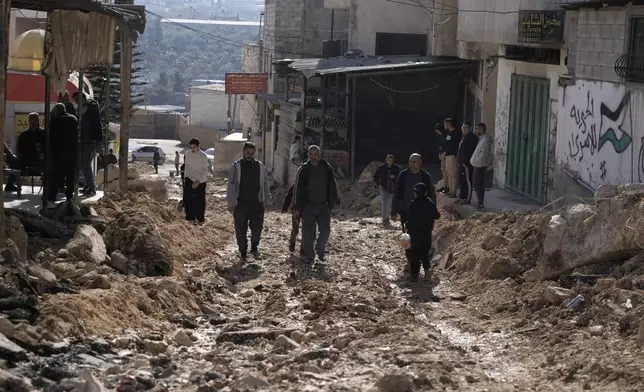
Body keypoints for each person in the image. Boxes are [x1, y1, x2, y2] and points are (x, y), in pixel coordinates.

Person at [293, 145, 340, 263]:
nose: (313, 157)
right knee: (307, 233)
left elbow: (333, 183)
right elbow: (297, 189)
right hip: (308, 205)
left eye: (316, 154)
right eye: (311, 154)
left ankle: (320, 249)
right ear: (308, 155)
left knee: (325, 231)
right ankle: (309, 255)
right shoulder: (303, 169)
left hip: (324, 205)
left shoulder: (326, 168)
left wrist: (335, 199)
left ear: (320, 155)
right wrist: (297, 207)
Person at [392, 153, 436, 272]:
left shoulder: (425, 176)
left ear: (420, 162)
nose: (412, 164)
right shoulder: (403, 175)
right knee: (407, 237)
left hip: (423, 214)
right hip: (407, 212)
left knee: (423, 239)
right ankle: (411, 260)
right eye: (410, 161)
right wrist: (393, 211)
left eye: (414, 161)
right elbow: (396, 193)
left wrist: (432, 211)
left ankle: (423, 262)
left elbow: (432, 194)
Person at [227, 142, 271, 259]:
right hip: (240, 204)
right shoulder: (236, 166)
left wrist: (267, 199)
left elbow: (265, 184)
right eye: (248, 152)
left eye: (252, 153)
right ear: (243, 152)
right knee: (240, 231)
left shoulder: (260, 167)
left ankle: (254, 247)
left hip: (257, 204)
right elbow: (231, 186)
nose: (250, 155)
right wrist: (231, 203)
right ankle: (243, 252)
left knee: (257, 229)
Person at [406, 183, 440, 282]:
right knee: (424, 253)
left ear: (416, 193)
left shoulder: (413, 204)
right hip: (426, 233)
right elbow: (437, 215)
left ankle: (414, 275)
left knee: (415, 254)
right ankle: (427, 271)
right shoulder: (430, 203)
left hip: (415, 234)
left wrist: (407, 226)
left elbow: (410, 219)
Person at [47, 103, 78, 208]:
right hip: (72, 151)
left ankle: (52, 195)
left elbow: (51, 137)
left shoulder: (55, 121)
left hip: (59, 152)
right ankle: (69, 195)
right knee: (70, 175)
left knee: (57, 175)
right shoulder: (73, 119)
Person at [282, 157, 309, 252]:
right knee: (297, 229)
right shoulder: (297, 184)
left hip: (304, 209)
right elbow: (289, 195)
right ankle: (293, 243)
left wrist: (285, 207)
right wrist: (285, 207)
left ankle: (299, 247)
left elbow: (288, 195)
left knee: (301, 229)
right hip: (297, 209)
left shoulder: (305, 184)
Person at [80, 100, 103, 196]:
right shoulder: (96, 118)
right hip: (91, 143)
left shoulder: (88, 116)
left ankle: (91, 187)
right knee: (86, 165)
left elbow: (85, 129)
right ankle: (88, 185)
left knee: (86, 165)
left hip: (88, 143)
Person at [183, 138, 209, 224]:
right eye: (191, 147)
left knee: (199, 201)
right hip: (189, 179)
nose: (192, 149)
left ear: (198, 146)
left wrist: (198, 181)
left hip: (200, 181)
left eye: (194, 147)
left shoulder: (203, 156)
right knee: (189, 199)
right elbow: (186, 166)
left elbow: (204, 170)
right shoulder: (187, 154)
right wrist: (185, 178)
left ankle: (200, 219)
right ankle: (190, 218)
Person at [470, 123, 493, 210]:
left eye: (477, 129)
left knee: (477, 184)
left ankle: (480, 204)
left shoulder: (486, 140)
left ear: (481, 129)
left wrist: (477, 162)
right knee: (478, 184)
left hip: (479, 165)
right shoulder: (482, 139)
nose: (476, 130)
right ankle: (480, 203)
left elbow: (484, 154)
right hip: (477, 164)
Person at [16, 112, 46, 178]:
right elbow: (19, 149)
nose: (37, 121)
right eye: (35, 120)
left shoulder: (44, 133)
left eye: (38, 120)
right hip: (27, 159)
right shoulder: (24, 135)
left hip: (40, 160)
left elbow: (47, 146)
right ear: (30, 121)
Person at [373, 154, 400, 226]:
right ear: (386, 160)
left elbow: (399, 178)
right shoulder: (381, 168)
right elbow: (375, 176)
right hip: (384, 187)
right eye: (388, 160)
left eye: (391, 161)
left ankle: (389, 217)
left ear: (393, 161)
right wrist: (378, 184)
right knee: (384, 202)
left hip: (393, 188)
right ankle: (385, 218)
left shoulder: (396, 168)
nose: (390, 162)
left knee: (390, 203)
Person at [456, 122, 478, 205]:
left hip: (467, 163)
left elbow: (470, 151)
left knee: (468, 181)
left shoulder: (472, 138)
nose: (464, 129)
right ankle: (461, 197)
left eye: (466, 127)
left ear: (470, 128)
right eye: (463, 127)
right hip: (461, 163)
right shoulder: (464, 137)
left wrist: (466, 162)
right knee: (462, 180)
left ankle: (468, 198)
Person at [442, 118, 461, 198]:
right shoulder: (448, 133)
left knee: (453, 174)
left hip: (453, 156)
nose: (444, 126)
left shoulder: (456, 133)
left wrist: (455, 154)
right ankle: (450, 190)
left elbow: (457, 145)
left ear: (449, 124)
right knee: (449, 174)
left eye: (445, 124)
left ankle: (454, 191)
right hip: (447, 155)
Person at [434, 123, 448, 193]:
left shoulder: (445, 135)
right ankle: (445, 185)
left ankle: (446, 186)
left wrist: (443, 153)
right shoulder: (442, 136)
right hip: (442, 154)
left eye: (437, 130)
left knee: (445, 171)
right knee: (443, 170)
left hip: (445, 154)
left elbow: (445, 146)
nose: (437, 132)